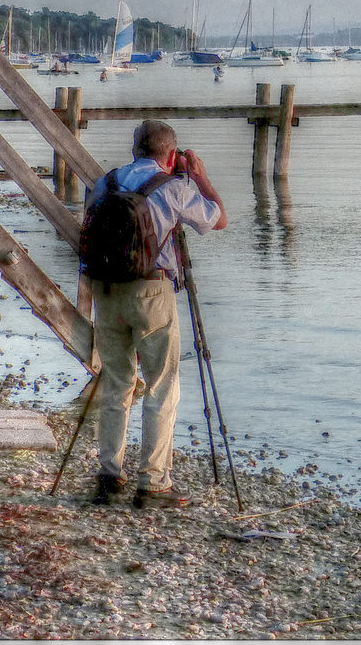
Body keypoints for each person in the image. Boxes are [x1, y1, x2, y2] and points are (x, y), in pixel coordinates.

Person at [83, 119, 227, 508]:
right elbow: (218, 218)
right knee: (161, 385)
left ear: (134, 149)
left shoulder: (104, 184)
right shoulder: (176, 187)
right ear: (171, 155)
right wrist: (199, 177)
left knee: (116, 382)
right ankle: (154, 482)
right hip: (152, 292)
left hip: (106, 290)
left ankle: (109, 476)